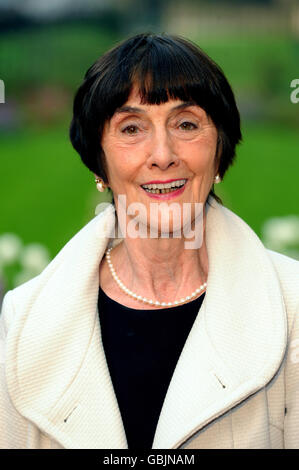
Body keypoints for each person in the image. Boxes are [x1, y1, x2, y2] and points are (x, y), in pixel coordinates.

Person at [0, 33, 298, 450]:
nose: (162, 153)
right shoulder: (24, 319)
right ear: (99, 162)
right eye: (132, 127)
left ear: (219, 150)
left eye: (186, 124)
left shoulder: (293, 307)